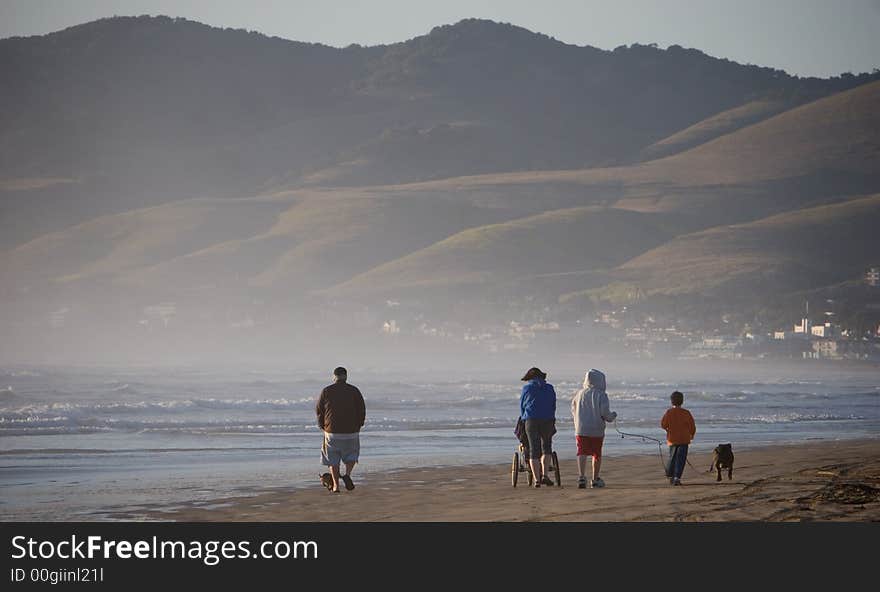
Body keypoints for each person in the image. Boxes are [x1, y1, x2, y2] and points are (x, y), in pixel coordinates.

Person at [316, 367, 366, 493]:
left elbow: (319, 410)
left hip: (332, 431)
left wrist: (323, 426)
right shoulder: (354, 390)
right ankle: (347, 474)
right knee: (352, 456)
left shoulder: (326, 391)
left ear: (334, 377)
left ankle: (336, 486)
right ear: (346, 377)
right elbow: (361, 409)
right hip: (351, 431)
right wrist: (359, 425)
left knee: (333, 459)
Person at [571, 369, 617, 489]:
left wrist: (577, 422)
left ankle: (581, 477)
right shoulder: (601, 395)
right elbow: (605, 413)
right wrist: (612, 416)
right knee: (596, 453)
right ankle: (595, 478)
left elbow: (573, 410)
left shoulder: (579, 394)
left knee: (581, 452)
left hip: (581, 429)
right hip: (596, 429)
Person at [519, 367, 557, 488]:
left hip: (531, 419)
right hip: (547, 419)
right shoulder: (549, 388)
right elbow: (553, 404)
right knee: (546, 447)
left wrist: (523, 418)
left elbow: (522, 405)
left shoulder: (527, 388)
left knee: (533, 449)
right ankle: (545, 475)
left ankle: (536, 480)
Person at [660, 391, 696, 486]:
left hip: (672, 439)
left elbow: (663, 424)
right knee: (681, 459)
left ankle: (670, 475)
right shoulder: (686, 413)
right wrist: (692, 434)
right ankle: (677, 477)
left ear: (671, 401)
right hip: (684, 439)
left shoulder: (669, 412)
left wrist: (668, 429)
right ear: (682, 401)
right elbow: (692, 426)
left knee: (672, 457)